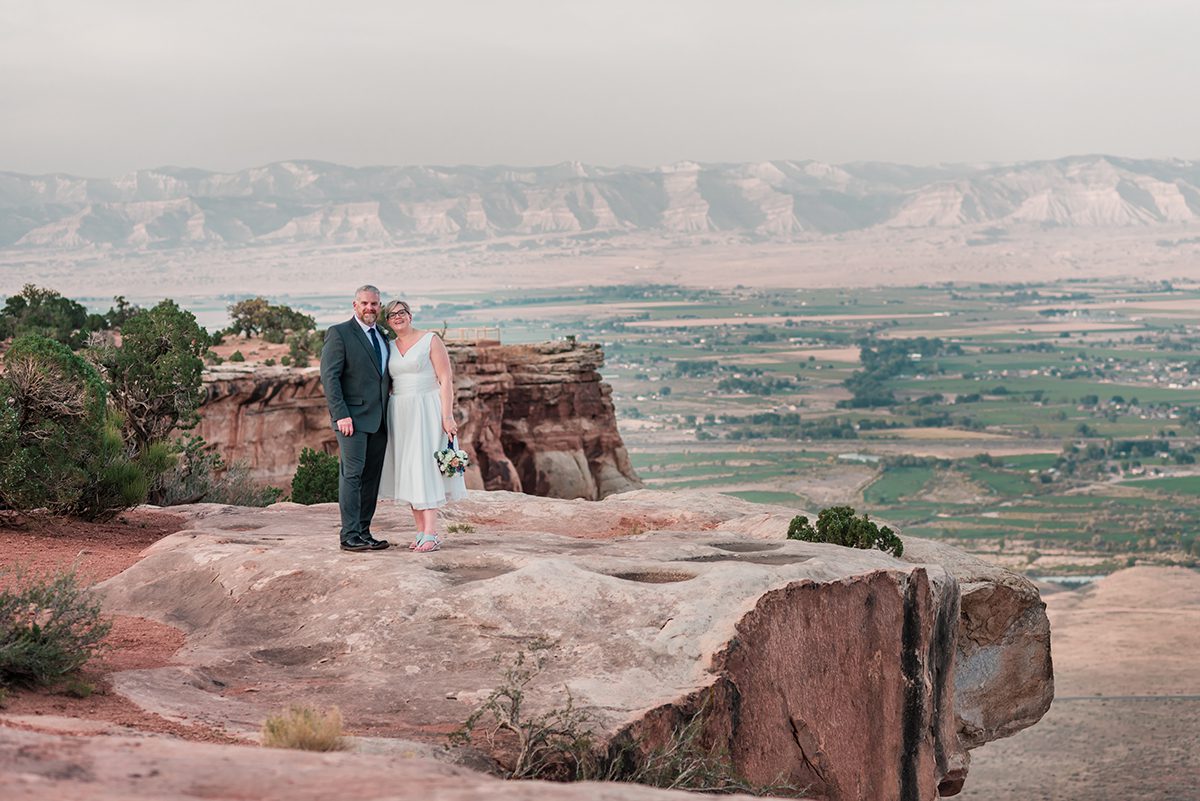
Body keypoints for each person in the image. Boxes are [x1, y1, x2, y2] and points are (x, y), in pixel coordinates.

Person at [378, 299, 466, 552]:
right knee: (408, 469)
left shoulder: (430, 340)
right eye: (392, 314)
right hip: (400, 412)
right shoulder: (389, 346)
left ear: (410, 315)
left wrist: (446, 416)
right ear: (388, 321)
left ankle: (431, 533)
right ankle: (420, 531)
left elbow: (446, 378)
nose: (398, 317)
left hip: (427, 409)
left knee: (425, 467)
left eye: (402, 312)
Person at [320, 285, 392, 552]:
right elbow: (330, 378)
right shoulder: (339, 333)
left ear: (379, 306)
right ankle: (349, 534)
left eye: (374, 304)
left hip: (380, 420)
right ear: (355, 305)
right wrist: (341, 415)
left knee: (371, 478)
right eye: (364, 303)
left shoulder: (383, 336)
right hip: (351, 420)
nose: (369, 308)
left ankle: (364, 532)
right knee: (352, 475)